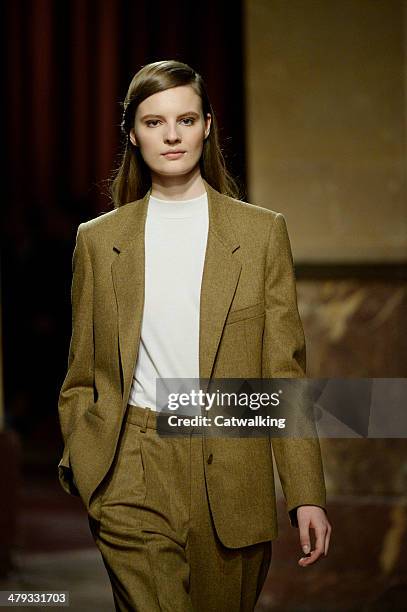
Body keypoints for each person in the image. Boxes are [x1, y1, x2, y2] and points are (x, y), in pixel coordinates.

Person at [57, 59, 331, 611]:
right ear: (132, 134)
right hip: (133, 464)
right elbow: (82, 371)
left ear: (208, 125)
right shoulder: (99, 241)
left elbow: (284, 372)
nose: (172, 135)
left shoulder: (260, 234)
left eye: (185, 119)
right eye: (154, 122)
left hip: (233, 467)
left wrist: (305, 494)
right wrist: (89, 467)